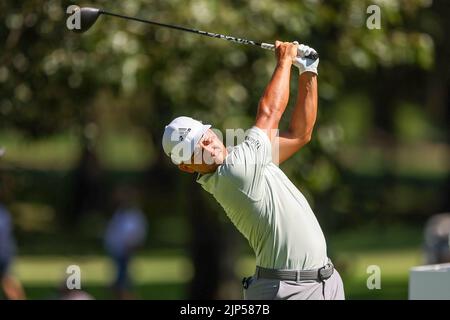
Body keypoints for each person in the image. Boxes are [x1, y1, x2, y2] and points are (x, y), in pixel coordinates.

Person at [162, 41, 344, 300]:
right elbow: (269, 113)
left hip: (324, 282)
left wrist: (308, 70)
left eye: (204, 135)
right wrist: (284, 61)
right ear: (186, 166)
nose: (207, 144)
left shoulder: (245, 160)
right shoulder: (236, 173)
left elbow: (299, 135)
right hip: (290, 290)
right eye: (195, 148)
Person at [104, 187, 148, 300]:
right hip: (117, 249)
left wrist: (132, 245)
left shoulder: (134, 215)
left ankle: (124, 294)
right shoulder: (120, 213)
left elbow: (135, 233)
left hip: (125, 249)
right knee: (122, 276)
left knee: (122, 279)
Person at [0, 204, 26, 300]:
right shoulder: (3, 212)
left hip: (3, 253)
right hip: (6, 252)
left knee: (8, 282)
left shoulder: (3, 213)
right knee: (9, 280)